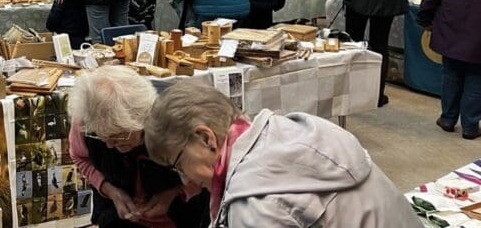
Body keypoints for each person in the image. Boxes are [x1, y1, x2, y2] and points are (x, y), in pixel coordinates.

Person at [144, 80, 418, 228]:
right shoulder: (289, 130)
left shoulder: (255, 205)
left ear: (206, 139)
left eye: (178, 164)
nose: (184, 179)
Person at [67, 66, 208, 228]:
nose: (110, 144)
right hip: (117, 216)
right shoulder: (87, 119)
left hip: (182, 216)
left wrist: (176, 191)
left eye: (118, 135)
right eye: (101, 136)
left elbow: (205, 171)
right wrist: (109, 190)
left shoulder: (174, 123)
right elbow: (79, 156)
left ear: (142, 120)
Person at [419, 0, 481, 139]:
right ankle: (470, 125)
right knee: (477, 74)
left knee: (451, 70)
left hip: (452, 16)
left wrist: (425, 15)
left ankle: (447, 118)